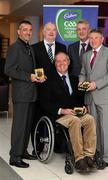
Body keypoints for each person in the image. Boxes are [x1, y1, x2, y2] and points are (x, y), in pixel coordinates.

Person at [40, 52, 96, 173]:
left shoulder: (76, 79)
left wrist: (84, 107)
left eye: (64, 60)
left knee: (90, 119)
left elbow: (80, 99)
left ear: (69, 62)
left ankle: (89, 156)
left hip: (76, 113)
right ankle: (79, 159)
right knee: (75, 121)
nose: (61, 63)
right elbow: (44, 103)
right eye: (58, 61)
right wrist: (62, 110)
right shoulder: (48, 80)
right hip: (60, 115)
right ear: (55, 64)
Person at [4, 20, 46, 168]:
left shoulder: (29, 47)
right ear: (18, 32)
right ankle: (14, 157)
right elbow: (9, 70)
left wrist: (38, 76)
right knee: (19, 126)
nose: (28, 32)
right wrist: (29, 77)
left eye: (30, 30)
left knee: (27, 125)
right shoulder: (14, 48)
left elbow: (30, 69)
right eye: (25, 30)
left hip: (31, 93)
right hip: (21, 94)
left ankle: (22, 151)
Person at [79, 29, 108, 169]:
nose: (93, 40)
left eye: (96, 37)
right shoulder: (86, 55)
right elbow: (83, 72)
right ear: (88, 40)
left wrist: (96, 84)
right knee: (94, 129)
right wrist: (81, 82)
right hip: (90, 97)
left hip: (105, 96)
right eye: (91, 38)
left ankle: (107, 159)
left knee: (106, 128)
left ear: (102, 39)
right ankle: (97, 154)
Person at [31, 22, 67, 151]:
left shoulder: (62, 48)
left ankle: (57, 146)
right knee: (37, 121)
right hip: (40, 91)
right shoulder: (34, 48)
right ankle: (38, 148)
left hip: (58, 92)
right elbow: (32, 67)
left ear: (56, 33)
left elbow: (66, 67)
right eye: (48, 30)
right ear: (43, 32)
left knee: (56, 119)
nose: (51, 32)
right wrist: (38, 75)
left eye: (54, 30)